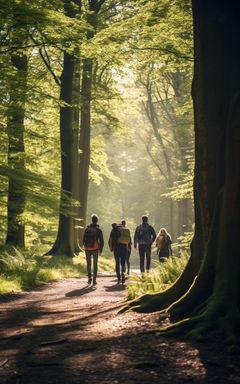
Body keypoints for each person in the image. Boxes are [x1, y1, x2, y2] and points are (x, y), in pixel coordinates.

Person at [83, 214, 104, 285]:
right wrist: (100, 250)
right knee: (95, 264)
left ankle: (89, 278)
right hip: (95, 248)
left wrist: (85, 246)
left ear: (92, 220)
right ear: (97, 221)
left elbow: (83, 239)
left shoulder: (87, 229)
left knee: (88, 264)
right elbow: (102, 241)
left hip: (87, 248)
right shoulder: (98, 230)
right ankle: (94, 280)